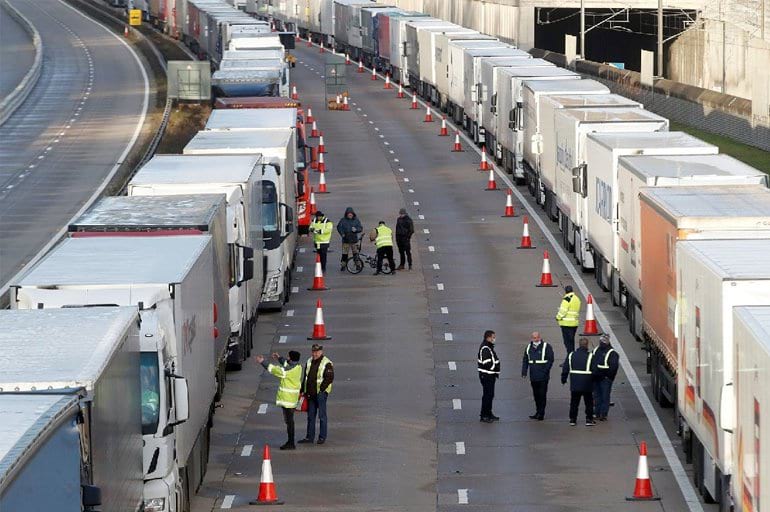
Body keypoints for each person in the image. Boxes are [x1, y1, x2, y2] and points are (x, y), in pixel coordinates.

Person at [256, 350, 303, 449]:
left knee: (289, 422)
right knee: (289, 422)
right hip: (292, 399)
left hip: (288, 400)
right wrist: (279, 358)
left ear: (291, 358)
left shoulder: (288, 371)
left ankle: (291, 443)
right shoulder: (298, 367)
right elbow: (287, 363)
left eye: (288, 356)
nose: (287, 358)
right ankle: (291, 442)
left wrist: (262, 362)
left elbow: (275, 370)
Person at [299, 344, 334, 445]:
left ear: (321, 352)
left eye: (317, 352)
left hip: (320, 394)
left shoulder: (327, 363)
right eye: (313, 352)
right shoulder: (309, 361)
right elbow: (305, 377)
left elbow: (329, 377)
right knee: (310, 416)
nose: (315, 354)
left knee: (322, 416)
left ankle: (322, 437)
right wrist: (302, 390)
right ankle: (309, 437)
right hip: (310, 394)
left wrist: (322, 389)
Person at [561, 338, 596, 426]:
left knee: (574, 402)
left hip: (575, 383)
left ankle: (572, 419)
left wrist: (563, 379)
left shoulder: (571, 355)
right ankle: (589, 419)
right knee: (588, 402)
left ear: (579, 345)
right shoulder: (591, 356)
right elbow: (595, 370)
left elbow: (565, 368)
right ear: (587, 345)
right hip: (587, 383)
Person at [521, 331, 554, 421]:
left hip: (543, 376)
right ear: (531, 338)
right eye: (534, 337)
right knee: (536, 395)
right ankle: (537, 412)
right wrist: (524, 372)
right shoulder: (528, 347)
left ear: (540, 337)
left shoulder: (546, 347)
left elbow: (550, 359)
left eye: (537, 337)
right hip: (533, 376)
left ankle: (541, 413)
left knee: (542, 395)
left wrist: (545, 370)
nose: (536, 339)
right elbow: (525, 360)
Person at [592, 334, 619, 421]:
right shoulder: (610, 352)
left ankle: (600, 413)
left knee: (600, 396)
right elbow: (613, 368)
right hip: (602, 378)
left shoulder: (610, 353)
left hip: (602, 378)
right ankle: (600, 414)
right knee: (602, 396)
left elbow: (613, 367)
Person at [477, 330, 500, 423]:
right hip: (487, 376)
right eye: (493, 337)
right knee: (487, 395)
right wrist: (495, 368)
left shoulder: (488, 347)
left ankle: (489, 413)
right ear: (488, 337)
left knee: (490, 395)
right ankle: (484, 415)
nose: (494, 339)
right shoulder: (485, 348)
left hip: (490, 375)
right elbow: (487, 364)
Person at [556, 285, 581, 355]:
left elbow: (563, 311)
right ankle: (571, 357)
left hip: (566, 324)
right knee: (571, 342)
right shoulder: (577, 298)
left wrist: (558, 317)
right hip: (574, 324)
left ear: (566, 291)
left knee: (567, 343)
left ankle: (569, 358)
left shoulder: (567, 299)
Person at [336, 207, 363, 271]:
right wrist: (342, 234)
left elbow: (360, 228)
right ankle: (343, 266)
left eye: (351, 214)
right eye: (349, 214)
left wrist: (356, 230)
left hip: (354, 240)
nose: (350, 215)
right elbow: (339, 227)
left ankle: (358, 265)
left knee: (356, 254)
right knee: (344, 255)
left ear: (353, 214)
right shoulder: (343, 220)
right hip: (346, 240)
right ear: (346, 214)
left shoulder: (356, 220)